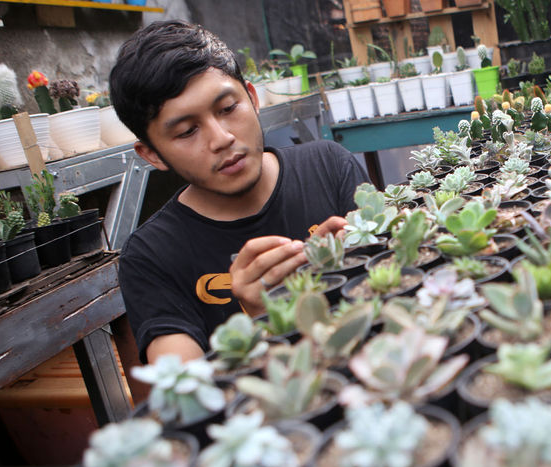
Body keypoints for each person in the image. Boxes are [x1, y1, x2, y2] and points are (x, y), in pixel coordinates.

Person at [109, 21, 368, 364]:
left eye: (228, 108)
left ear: (252, 97)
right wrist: (262, 318)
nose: (221, 138)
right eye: (186, 131)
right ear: (152, 154)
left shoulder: (328, 166)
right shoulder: (151, 256)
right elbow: (183, 388)